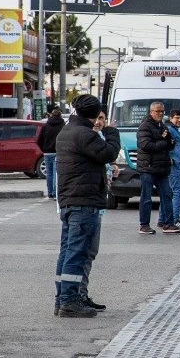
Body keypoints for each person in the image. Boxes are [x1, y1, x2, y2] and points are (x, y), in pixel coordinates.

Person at [53, 94, 122, 317]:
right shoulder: (85, 135)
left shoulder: (67, 131)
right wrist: (111, 132)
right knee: (77, 253)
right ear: (93, 115)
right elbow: (109, 153)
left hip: (70, 200)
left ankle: (63, 297)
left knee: (68, 252)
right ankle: (70, 301)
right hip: (84, 201)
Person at [136, 102, 180, 234]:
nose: (160, 113)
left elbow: (170, 144)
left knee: (167, 195)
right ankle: (144, 225)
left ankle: (168, 224)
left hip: (162, 167)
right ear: (151, 112)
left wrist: (167, 142)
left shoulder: (162, 125)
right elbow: (145, 145)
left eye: (162, 111)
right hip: (148, 168)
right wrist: (163, 142)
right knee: (146, 198)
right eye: (157, 111)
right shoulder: (145, 126)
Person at [164, 109, 180, 228]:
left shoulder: (173, 130)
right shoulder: (170, 131)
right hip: (174, 165)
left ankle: (163, 219)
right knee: (178, 192)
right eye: (176, 118)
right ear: (170, 118)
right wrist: (170, 158)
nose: (179, 120)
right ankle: (174, 220)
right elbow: (166, 146)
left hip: (176, 164)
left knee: (168, 193)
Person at [36, 106, 65, 200]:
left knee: (49, 174)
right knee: (57, 173)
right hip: (58, 153)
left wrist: (44, 149)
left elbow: (39, 140)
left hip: (47, 153)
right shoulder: (62, 126)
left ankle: (50, 193)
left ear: (52, 115)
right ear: (60, 115)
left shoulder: (46, 125)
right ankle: (56, 193)